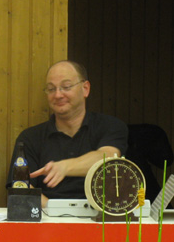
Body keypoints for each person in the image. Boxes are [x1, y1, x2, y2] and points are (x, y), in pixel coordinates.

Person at [7, 60, 128, 207]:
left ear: (85, 89)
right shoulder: (30, 138)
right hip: (48, 215)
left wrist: (65, 167)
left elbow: (108, 158)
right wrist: (56, 211)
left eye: (66, 87)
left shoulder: (110, 126)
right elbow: (20, 186)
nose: (58, 95)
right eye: (51, 89)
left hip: (100, 214)